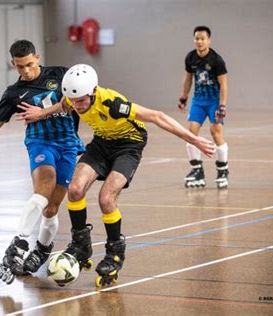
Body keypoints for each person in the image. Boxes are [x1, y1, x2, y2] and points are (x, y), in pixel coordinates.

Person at [18, 63, 215, 287]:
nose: (77, 106)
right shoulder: (73, 99)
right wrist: (40, 113)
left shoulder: (112, 103)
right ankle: (81, 243)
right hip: (102, 143)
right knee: (74, 189)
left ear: (93, 92)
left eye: (82, 100)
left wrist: (194, 139)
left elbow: (157, 116)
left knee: (106, 198)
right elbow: (62, 106)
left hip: (129, 145)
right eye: (74, 101)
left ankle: (114, 253)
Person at [0, 40, 84, 284]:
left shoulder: (61, 74)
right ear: (14, 64)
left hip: (68, 144)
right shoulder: (13, 93)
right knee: (44, 188)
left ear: (38, 57)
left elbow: (77, 101)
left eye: (30, 64)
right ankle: (18, 245)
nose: (26, 71)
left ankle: (42, 250)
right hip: (40, 143)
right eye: (20, 67)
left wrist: (45, 111)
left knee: (51, 207)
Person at [177, 25, 229, 189]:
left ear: (209, 40)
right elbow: (188, 79)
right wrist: (184, 97)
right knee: (191, 133)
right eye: (197, 38)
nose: (199, 41)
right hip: (198, 101)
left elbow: (224, 84)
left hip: (213, 101)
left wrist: (222, 105)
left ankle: (223, 170)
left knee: (216, 132)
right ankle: (197, 170)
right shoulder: (190, 58)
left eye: (202, 39)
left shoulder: (217, 60)